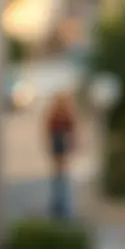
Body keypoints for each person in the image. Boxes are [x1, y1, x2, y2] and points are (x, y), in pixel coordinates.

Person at [44, 91, 78, 220]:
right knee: (59, 174)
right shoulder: (57, 115)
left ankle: (61, 203)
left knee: (61, 174)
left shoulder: (65, 115)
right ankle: (59, 203)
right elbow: (49, 130)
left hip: (61, 142)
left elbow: (73, 130)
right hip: (58, 142)